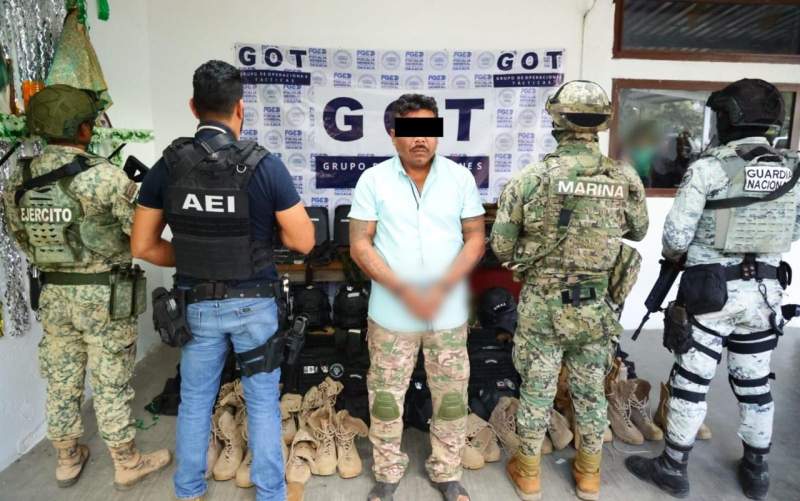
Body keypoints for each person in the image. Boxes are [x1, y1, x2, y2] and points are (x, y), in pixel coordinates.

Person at [131, 60, 314, 501]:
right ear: (240, 109)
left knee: (195, 401)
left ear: (193, 107)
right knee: (262, 402)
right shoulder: (265, 166)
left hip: (197, 305)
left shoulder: (167, 167)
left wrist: (198, 255)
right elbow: (304, 241)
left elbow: (143, 245)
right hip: (255, 303)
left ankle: (188, 490)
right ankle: (270, 494)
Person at [625, 79, 798, 501]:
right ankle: (757, 472)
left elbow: (675, 239)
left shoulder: (708, 169)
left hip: (710, 295)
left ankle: (673, 468)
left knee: (690, 382)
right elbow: (792, 232)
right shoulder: (792, 171)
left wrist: (696, 251)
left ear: (729, 119)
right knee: (756, 385)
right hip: (765, 295)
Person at [1, 84, 171, 489]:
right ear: (82, 128)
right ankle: (127, 462)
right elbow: (140, 235)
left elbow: (20, 238)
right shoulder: (104, 176)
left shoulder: (19, 177)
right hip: (104, 294)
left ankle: (66, 457)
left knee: (61, 376)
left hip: (54, 293)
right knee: (110, 379)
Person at [491, 80, 648, 501]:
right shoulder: (623, 177)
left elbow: (501, 246)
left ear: (556, 120)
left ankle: (528, 474)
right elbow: (638, 230)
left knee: (536, 391)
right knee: (591, 393)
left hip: (543, 306)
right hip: (595, 306)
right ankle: (589, 476)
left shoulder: (531, 178)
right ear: (602, 123)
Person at [348, 93, 485, 501]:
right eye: (410, 131)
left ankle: (447, 472)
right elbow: (360, 243)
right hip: (393, 313)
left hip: (447, 312)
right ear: (394, 135)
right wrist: (404, 290)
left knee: (451, 400)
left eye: (428, 129)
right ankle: (387, 472)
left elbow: (475, 237)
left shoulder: (460, 179)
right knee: (386, 400)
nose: (420, 139)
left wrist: (441, 288)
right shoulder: (373, 180)